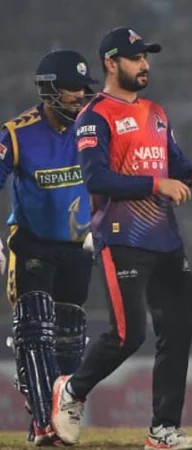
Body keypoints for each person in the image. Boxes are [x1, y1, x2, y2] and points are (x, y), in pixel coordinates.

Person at [49, 27, 192, 450]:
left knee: (177, 333)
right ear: (110, 63)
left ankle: (163, 430)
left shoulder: (156, 112)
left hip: (166, 239)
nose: (145, 64)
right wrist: (155, 184)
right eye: (135, 58)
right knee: (128, 335)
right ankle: (72, 390)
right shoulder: (94, 116)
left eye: (146, 57)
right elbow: (96, 178)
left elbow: (175, 162)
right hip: (120, 238)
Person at [0, 49, 96, 446]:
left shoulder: (93, 127)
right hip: (31, 244)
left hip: (78, 245)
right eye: (71, 89)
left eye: (82, 88)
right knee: (36, 327)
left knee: (70, 337)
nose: (79, 96)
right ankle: (44, 424)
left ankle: (57, 416)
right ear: (49, 90)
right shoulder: (16, 133)